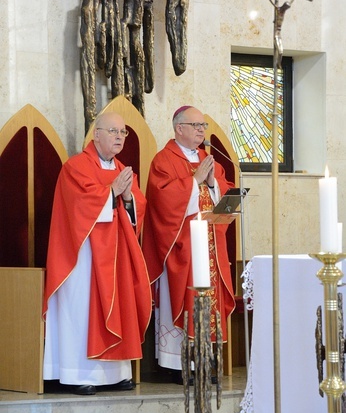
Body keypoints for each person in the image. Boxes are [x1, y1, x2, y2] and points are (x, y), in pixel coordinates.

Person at [43, 111, 152, 395]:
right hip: (83, 256)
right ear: (97, 135)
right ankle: (77, 373)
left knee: (119, 306)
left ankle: (114, 373)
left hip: (116, 254)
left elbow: (137, 210)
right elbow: (79, 206)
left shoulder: (123, 171)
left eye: (123, 133)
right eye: (114, 132)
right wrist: (111, 192)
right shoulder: (76, 166)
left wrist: (127, 197)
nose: (119, 137)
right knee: (82, 309)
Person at [142, 105, 236, 383]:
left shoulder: (210, 160)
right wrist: (194, 182)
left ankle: (207, 361)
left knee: (210, 303)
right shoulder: (163, 160)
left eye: (203, 126)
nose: (201, 131)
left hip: (211, 248)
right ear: (178, 128)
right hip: (181, 247)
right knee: (184, 300)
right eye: (195, 126)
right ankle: (178, 365)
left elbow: (225, 195)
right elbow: (162, 201)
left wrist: (212, 184)